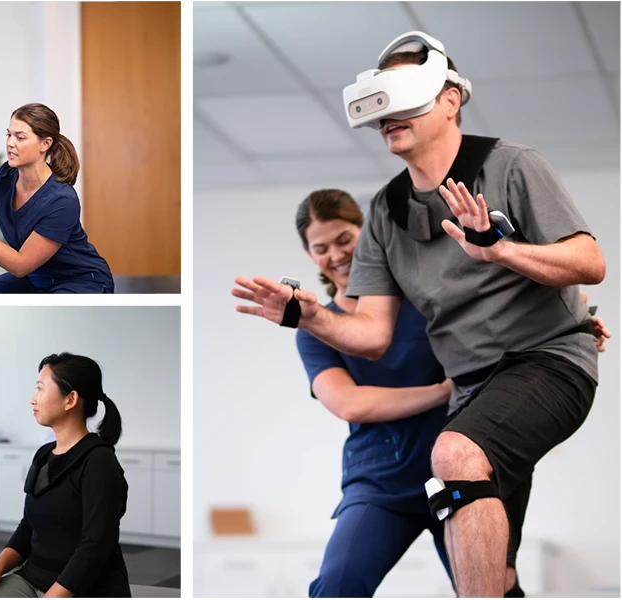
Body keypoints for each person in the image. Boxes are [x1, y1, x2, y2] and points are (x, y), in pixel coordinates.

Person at [233, 31, 610, 598]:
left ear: (451, 98)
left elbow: (590, 262)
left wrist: (503, 250)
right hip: (466, 402)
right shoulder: (385, 212)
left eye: (404, 92)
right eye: (380, 100)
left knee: (453, 452)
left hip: (543, 363)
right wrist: (305, 317)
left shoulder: (512, 165)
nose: (389, 115)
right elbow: (373, 336)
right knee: (491, 571)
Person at [293, 190, 607, 599]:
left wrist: (575, 329)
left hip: (460, 470)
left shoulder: (423, 296)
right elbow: (351, 403)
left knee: (494, 586)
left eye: (344, 239)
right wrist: (445, 390)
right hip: (382, 484)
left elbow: (508, 319)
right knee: (337, 586)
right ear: (309, 254)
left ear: (368, 235)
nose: (335, 255)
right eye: (321, 248)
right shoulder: (317, 327)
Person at [0, 353, 130, 599]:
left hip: (86, 589)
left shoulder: (99, 461)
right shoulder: (44, 455)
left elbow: (95, 545)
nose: (32, 399)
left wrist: (53, 596)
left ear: (71, 399)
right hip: (32, 579)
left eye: (40, 389)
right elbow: (28, 526)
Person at [0, 103, 114, 295]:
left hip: (79, 281)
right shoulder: (3, 178)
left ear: (45, 144)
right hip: (36, 278)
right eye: (9, 135)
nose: (10, 143)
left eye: (20, 137)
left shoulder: (62, 200)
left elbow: (20, 265)